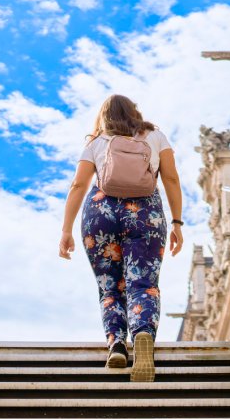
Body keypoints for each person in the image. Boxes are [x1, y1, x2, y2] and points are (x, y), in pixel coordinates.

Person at [58, 95, 184, 382]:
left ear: (103, 116)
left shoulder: (96, 142)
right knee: (144, 283)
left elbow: (79, 184)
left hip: (100, 213)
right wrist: (176, 222)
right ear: (134, 112)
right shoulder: (156, 136)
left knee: (110, 286)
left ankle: (116, 343)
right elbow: (172, 179)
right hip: (145, 213)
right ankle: (142, 334)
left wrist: (66, 230)